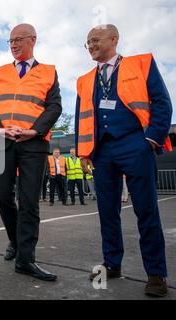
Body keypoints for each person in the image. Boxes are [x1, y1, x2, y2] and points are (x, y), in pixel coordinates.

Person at [75, 24, 173, 297]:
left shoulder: (141, 64)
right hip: (102, 151)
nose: (91, 46)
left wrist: (151, 139)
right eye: (87, 43)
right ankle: (112, 264)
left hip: (135, 144)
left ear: (114, 39)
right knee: (107, 211)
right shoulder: (84, 80)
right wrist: (84, 152)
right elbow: (80, 118)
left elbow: (162, 102)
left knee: (146, 210)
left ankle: (156, 274)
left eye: (95, 40)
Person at [0, 23, 62, 281]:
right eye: (10, 41)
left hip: (33, 144)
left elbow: (54, 107)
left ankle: (25, 260)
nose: (14, 45)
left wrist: (36, 131)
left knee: (28, 202)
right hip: (2, 142)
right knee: (3, 197)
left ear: (33, 39)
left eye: (19, 39)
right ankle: (15, 241)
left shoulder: (49, 72)